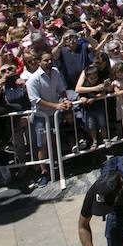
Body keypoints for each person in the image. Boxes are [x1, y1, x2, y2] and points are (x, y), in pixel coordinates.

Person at [25, 52, 71, 188]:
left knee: (55, 140)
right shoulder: (33, 80)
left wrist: (65, 99)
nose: (49, 62)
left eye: (51, 60)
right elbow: (36, 100)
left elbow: (61, 89)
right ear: (39, 61)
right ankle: (44, 172)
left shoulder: (55, 72)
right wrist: (56, 105)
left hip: (55, 113)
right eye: (46, 60)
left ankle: (59, 166)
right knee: (42, 145)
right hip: (41, 116)